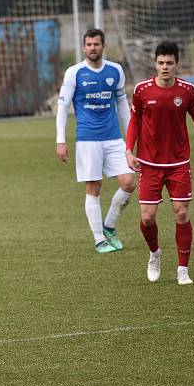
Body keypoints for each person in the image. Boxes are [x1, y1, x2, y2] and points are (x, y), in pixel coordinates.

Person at [125, 41, 194, 285]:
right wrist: (128, 151)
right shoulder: (142, 90)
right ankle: (155, 253)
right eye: (161, 63)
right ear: (155, 64)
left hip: (178, 163)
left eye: (169, 63)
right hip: (149, 163)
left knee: (182, 213)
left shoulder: (187, 90)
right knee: (147, 218)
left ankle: (182, 270)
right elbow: (134, 120)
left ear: (177, 64)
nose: (165, 67)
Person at [56, 28, 136, 253]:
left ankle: (109, 226)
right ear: (84, 47)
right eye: (89, 45)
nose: (93, 48)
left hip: (114, 139)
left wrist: (130, 138)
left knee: (129, 183)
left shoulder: (115, 70)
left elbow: (122, 104)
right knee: (94, 187)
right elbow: (62, 108)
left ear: (104, 46)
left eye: (96, 44)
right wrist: (60, 141)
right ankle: (100, 239)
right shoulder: (74, 73)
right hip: (87, 140)